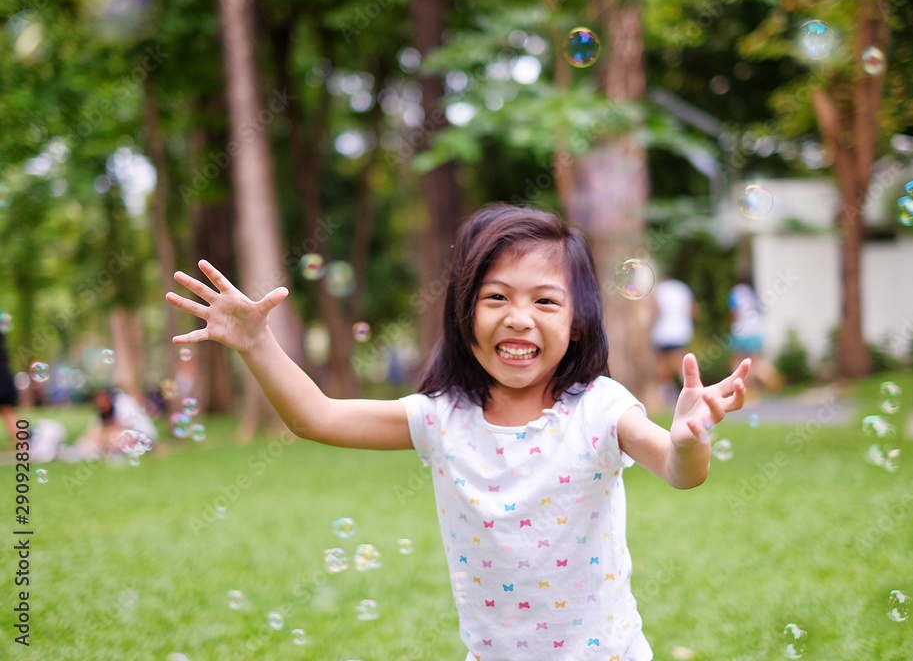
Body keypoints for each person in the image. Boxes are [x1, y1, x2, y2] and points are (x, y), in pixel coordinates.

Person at [166, 204, 750, 660]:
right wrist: (256, 343)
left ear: (578, 326)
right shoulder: (441, 419)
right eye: (496, 296)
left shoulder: (598, 409)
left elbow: (679, 474)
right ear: (464, 313)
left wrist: (685, 440)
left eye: (546, 301)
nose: (519, 316)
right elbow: (316, 417)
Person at [649, 272, 697, 407]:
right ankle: (690, 387)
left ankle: (668, 392)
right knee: (680, 361)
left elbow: (656, 309)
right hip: (680, 331)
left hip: (662, 332)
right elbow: (693, 310)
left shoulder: (659, 290)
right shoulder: (683, 288)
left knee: (663, 363)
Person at [728, 275, 780, 393]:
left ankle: (746, 388)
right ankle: (770, 376)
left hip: (742, 331)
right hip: (757, 331)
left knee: (739, 361)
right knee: (756, 361)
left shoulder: (736, 292)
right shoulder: (752, 293)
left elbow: (734, 312)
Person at [0, 330, 22, 446]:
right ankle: (25, 448)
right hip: (4, 375)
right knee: (8, 413)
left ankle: (25, 448)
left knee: (8, 412)